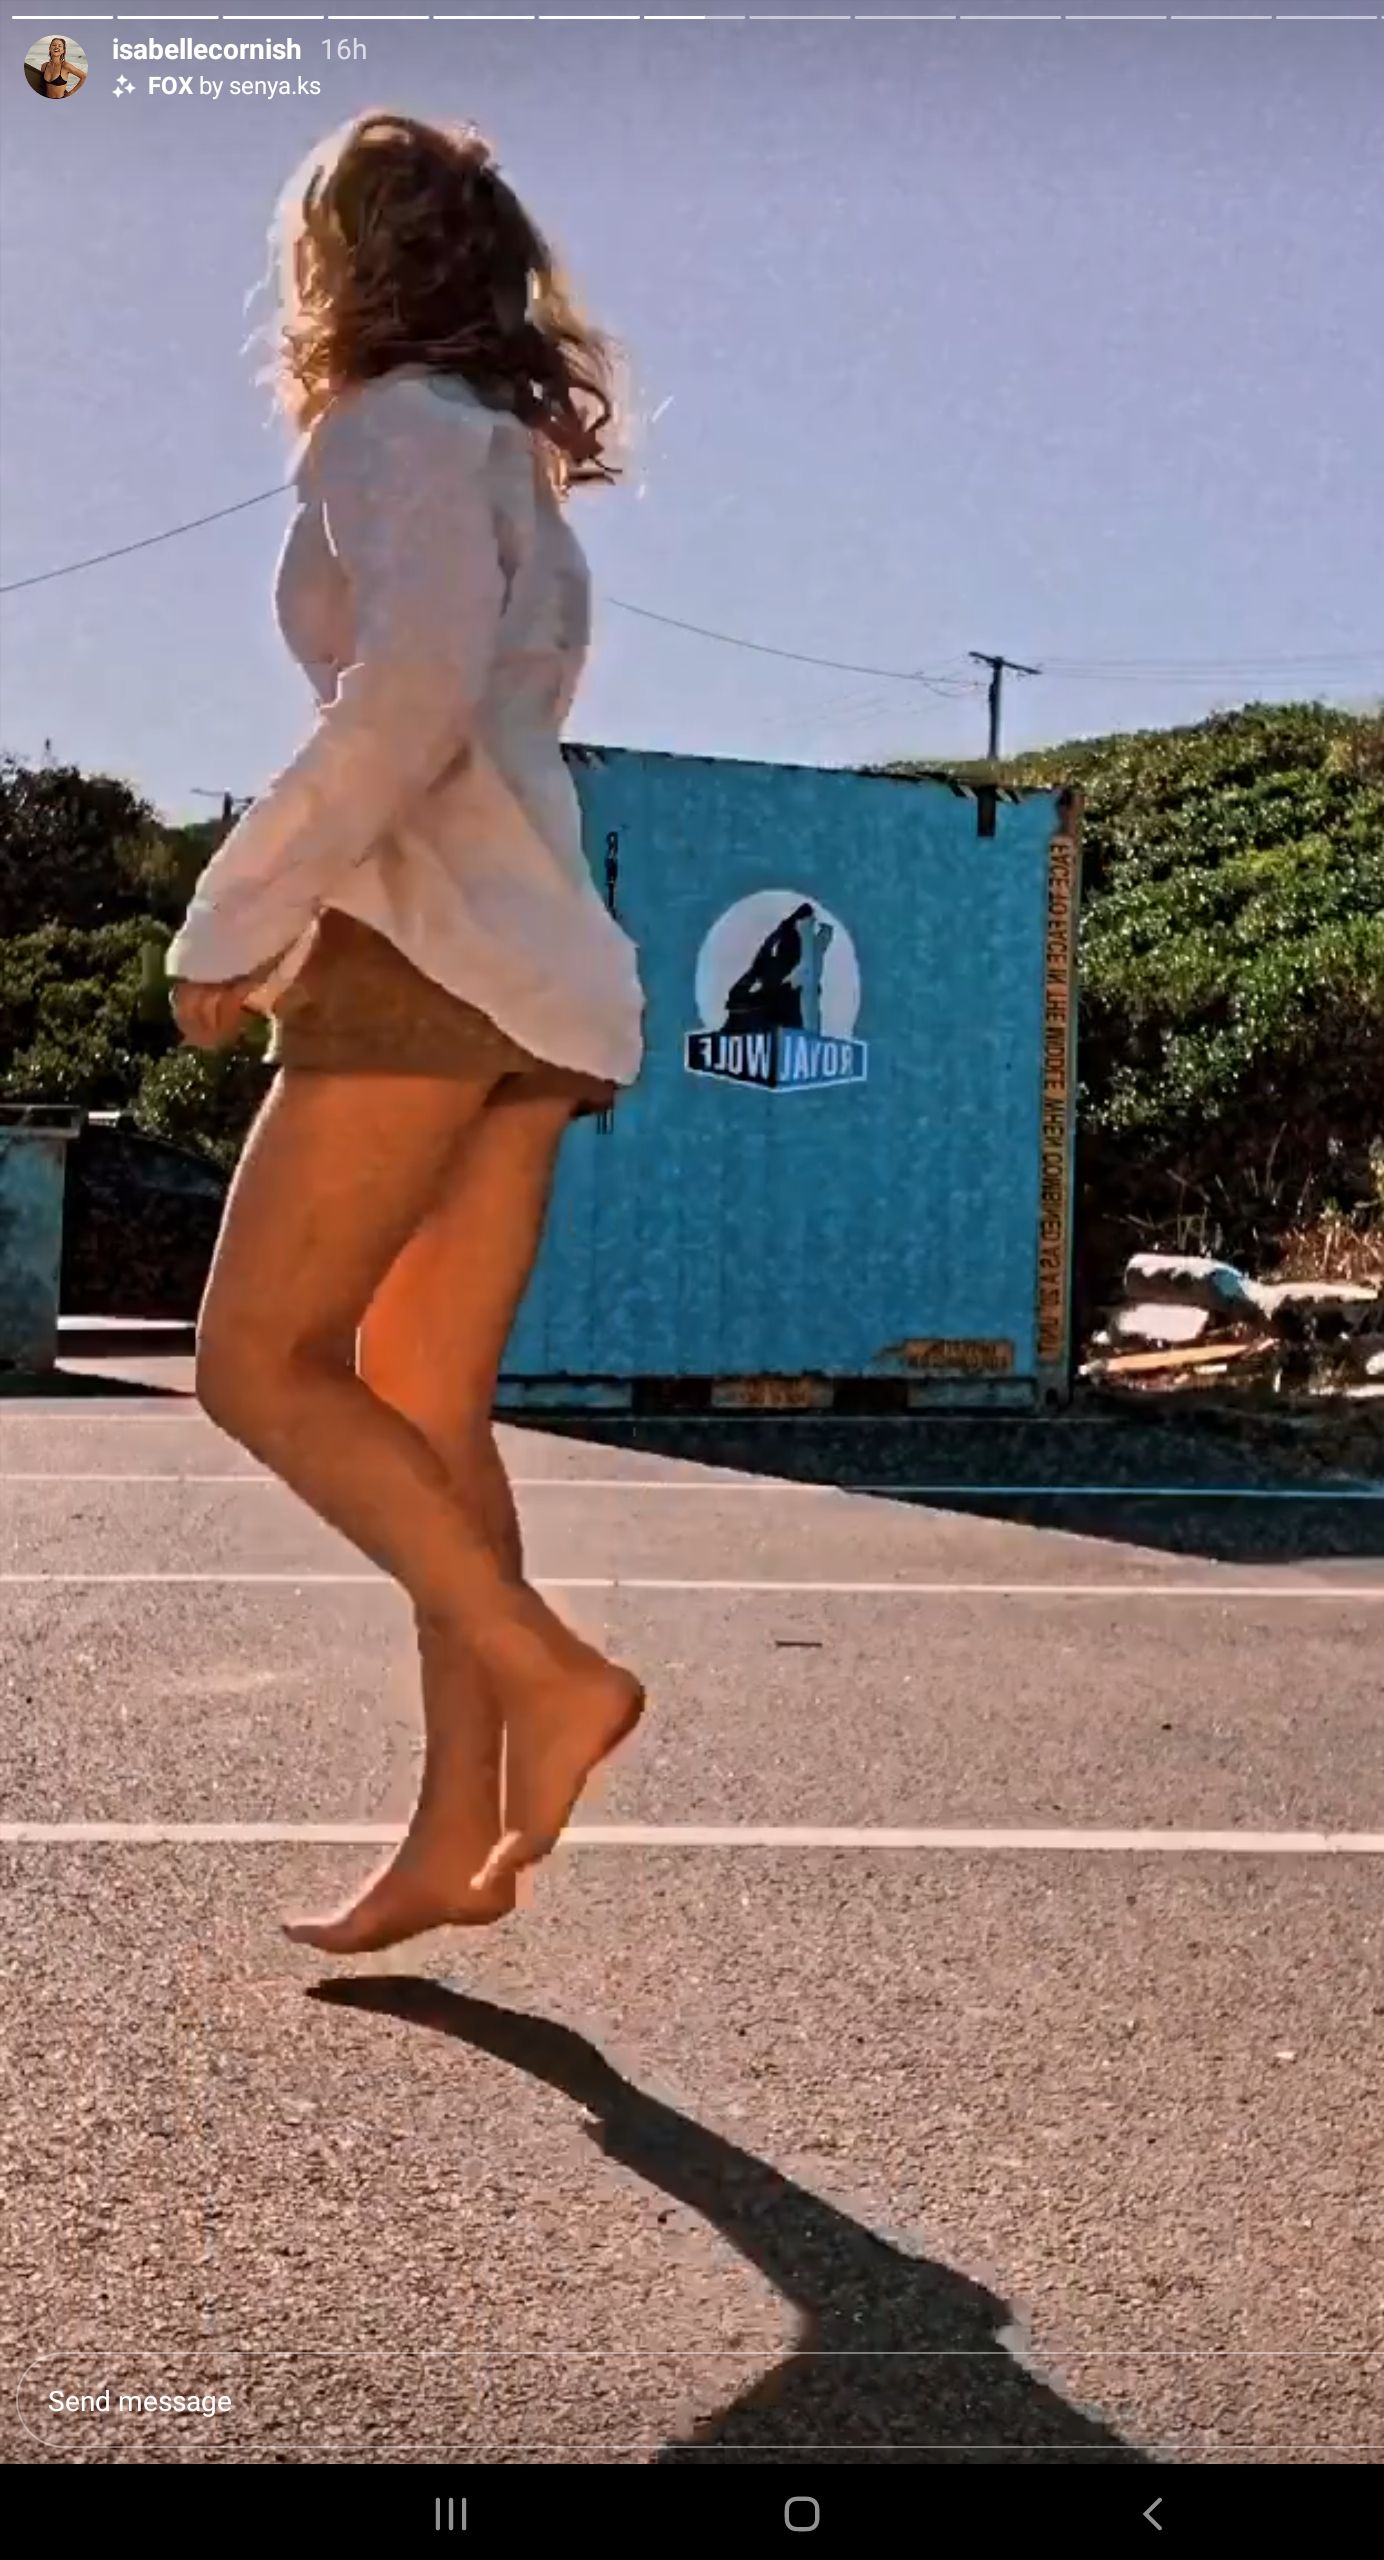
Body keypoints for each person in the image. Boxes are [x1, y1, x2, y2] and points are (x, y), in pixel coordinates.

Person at [166, 112, 647, 1955]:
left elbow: (408, 696)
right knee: (428, 1407)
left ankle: (550, 1670)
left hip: (427, 954)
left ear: (341, 262)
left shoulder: (391, 433)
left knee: (254, 1362)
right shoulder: (507, 453)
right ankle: (458, 1830)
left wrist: (237, 915)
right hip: (534, 966)